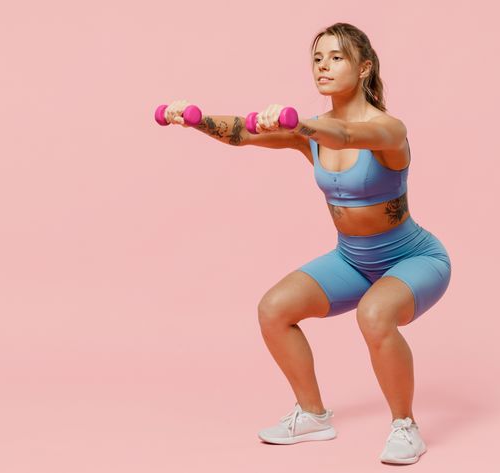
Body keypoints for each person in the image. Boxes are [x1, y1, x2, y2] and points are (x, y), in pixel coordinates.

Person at [161, 22, 451, 465]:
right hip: (352, 261)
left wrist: (304, 126)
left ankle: (404, 426)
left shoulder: (388, 129)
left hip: (413, 258)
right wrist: (195, 120)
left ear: (365, 67)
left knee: (375, 315)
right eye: (317, 58)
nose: (323, 66)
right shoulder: (310, 132)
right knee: (274, 308)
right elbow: (243, 131)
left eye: (336, 57)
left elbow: (350, 134)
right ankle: (313, 415)